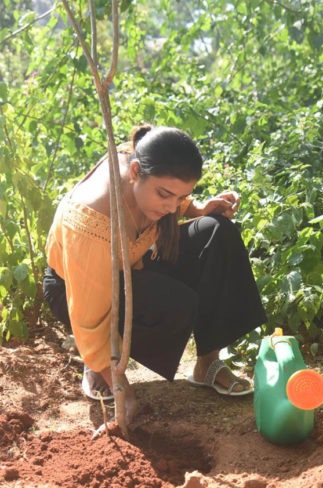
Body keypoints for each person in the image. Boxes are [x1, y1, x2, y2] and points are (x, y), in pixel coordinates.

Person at [43, 124, 267, 422]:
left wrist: (198, 208)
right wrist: (122, 388)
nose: (171, 206)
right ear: (134, 172)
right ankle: (97, 364)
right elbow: (88, 314)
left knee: (217, 232)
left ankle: (207, 364)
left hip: (131, 264)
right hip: (73, 289)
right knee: (175, 301)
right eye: (165, 195)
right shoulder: (92, 220)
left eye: (180, 197)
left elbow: (172, 194)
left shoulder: (145, 156)